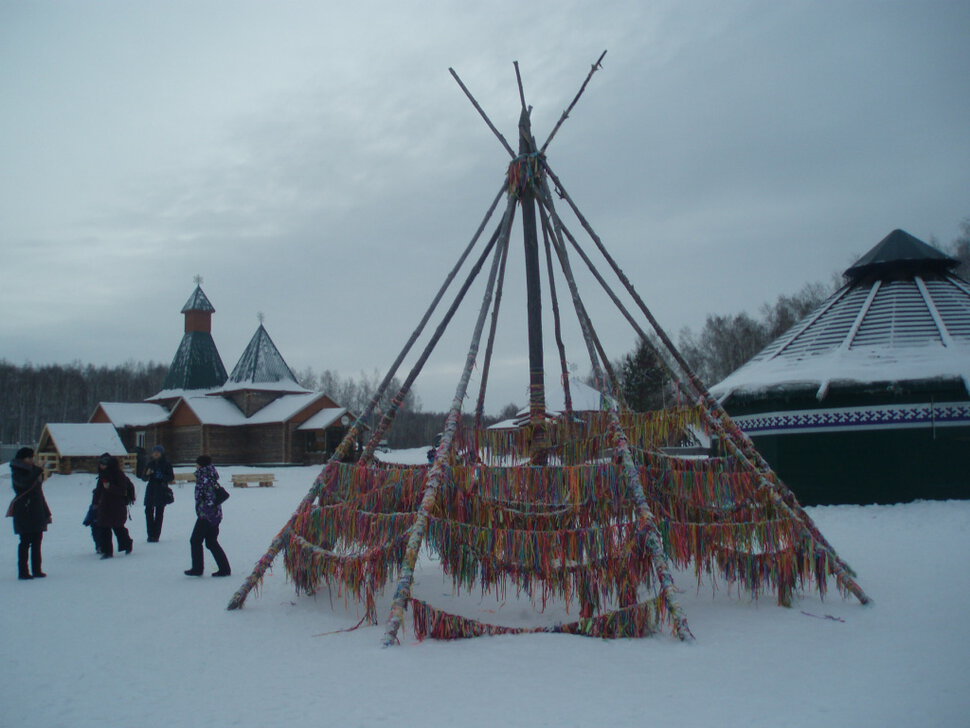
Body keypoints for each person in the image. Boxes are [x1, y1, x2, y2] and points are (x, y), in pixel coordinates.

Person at [9, 447, 52, 580]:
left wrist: (46, 511)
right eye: (30, 457)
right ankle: (23, 571)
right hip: (24, 511)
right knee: (25, 542)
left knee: (37, 541)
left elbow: (39, 493)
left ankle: (37, 570)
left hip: (36, 510)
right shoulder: (17, 471)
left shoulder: (33, 470)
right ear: (23, 459)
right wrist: (38, 470)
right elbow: (24, 483)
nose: (32, 460)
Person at [185, 455, 230, 577]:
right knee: (211, 542)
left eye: (197, 463)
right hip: (214, 515)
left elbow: (210, 498)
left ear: (200, 465)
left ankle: (197, 568)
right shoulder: (209, 475)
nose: (195, 466)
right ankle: (224, 569)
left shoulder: (205, 478)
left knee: (195, 540)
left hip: (207, 515)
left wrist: (205, 511)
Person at [93, 454, 134, 559]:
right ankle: (107, 551)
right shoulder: (102, 475)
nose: (101, 466)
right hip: (104, 506)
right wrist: (95, 503)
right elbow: (98, 491)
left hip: (117, 506)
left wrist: (110, 487)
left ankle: (127, 544)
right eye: (101, 464)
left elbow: (122, 490)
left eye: (104, 464)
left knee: (118, 528)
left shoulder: (118, 474)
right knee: (104, 528)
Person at [142, 445, 174, 542]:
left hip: (161, 489)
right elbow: (143, 478)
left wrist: (161, 476)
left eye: (158, 452)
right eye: (154, 452)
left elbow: (171, 477)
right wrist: (147, 474)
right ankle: (150, 534)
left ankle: (156, 535)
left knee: (159, 513)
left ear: (161, 453)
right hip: (151, 489)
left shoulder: (166, 464)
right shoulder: (150, 464)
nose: (156, 453)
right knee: (148, 511)